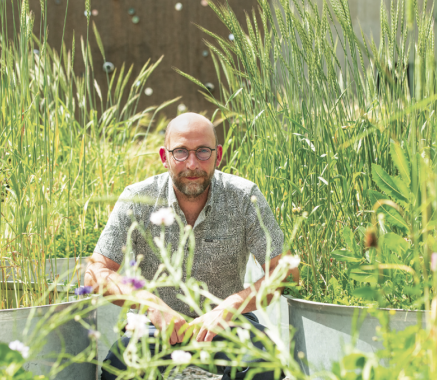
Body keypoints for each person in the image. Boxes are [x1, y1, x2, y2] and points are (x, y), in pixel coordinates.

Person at [85, 113, 298, 380]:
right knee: (119, 372)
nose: (192, 163)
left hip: (230, 326)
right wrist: (150, 304)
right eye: (181, 152)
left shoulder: (245, 197)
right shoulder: (137, 198)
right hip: (154, 329)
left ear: (218, 155)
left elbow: (286, 273)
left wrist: (228, 307)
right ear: (165, 157)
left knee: (265, 367)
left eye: (203, 152)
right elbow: (94, 273)